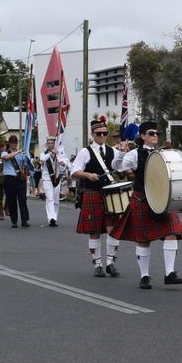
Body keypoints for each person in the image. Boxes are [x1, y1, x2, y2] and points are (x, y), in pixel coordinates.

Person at [110, 122, 182, 290]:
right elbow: (116, 167)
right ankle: (144, 276)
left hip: (163, 199)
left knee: (173, 232)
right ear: (143, 136)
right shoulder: (135, 154)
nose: (155, 136)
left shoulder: (162, 154)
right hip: (142, 198)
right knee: (143, 240)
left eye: (157, 133)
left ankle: (170, 273)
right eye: (151, 133)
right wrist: (121, 153)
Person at [70, 117, 123, 277]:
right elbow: (74, 172)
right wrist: (87, 175)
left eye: (104, 133)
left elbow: (120, 169)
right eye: (98, 133)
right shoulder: (85, 152)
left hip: (110, 194)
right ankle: (98, 264)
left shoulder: (113, 151)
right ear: (92, 134)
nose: (102, 136)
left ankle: (110, 263)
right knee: (94, 231)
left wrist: (124, 155)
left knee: (112, 229)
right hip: (92, 193)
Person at [0, 136, 32, 228]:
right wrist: (17, 152)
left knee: (22, 199)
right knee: (12, 200)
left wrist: (26, 157)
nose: (14, 144)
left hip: (20, 178)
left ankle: (24, 220)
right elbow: (6, 158)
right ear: (9, 143)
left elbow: (26, 165)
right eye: (12, 143)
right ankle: (14, 221)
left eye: (15, 143)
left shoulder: (21, 154)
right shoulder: (5, 152)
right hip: (9, 178)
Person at [39, 136, 68, 228]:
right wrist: (51, 152)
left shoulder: (59, 154)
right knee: (50, 198)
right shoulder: (43, 154)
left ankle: (54, 218)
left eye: (52, 143)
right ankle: (51, 218)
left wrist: (63, 164)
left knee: (56, 200)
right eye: (49, 143)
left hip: (57, 178)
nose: (50, 144)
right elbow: (43, 159)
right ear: (47, 144)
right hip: (47, 179)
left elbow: (65, 165)